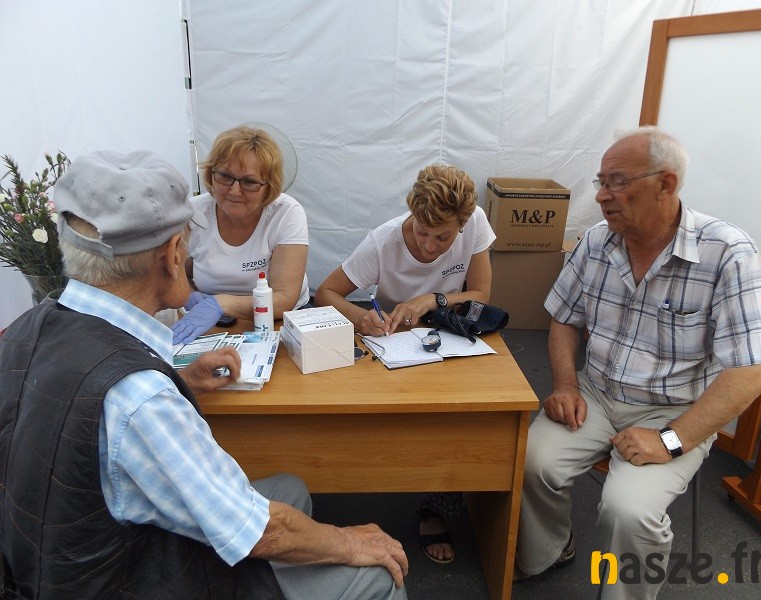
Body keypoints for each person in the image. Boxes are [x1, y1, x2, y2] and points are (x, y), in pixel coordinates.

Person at [0, 150, 407, 600]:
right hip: (133, 580)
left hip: (60, 561)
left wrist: (183, 381)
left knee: (289, 489)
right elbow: (262, 532)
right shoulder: (139, 396)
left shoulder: (23, 331)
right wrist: (349, 542)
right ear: (172, 255)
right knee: (378, 573)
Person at [514, 126, 761, 599]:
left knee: (628, 511)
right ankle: (549, 551)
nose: (601, 195)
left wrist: (672, 439)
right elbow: (563, 318)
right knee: (530, 463)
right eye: (600, 182)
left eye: (616, 181)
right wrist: (566, 384)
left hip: (673, 411)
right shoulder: (596, 242)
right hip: (596, 392)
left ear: (666, 183)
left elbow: (755, 369)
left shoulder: (727, 253)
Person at [315, 164, 495, 564]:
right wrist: (360, 317)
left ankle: (436, 505)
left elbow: (482, 293)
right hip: (393, 342)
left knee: (459, 414)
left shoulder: (475, 223)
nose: (429, 246)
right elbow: (326, 292)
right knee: (395, 423)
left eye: (443, 237)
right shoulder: (383, 242)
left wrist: (432, 299)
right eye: (421, 231)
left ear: (462, 225)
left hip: (449, 335)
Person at [172, 124, 310, 344]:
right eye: (225, 176)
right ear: (210, 174)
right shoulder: (193, 214)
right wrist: (189, 295)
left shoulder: (286, 213)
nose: (235, 191)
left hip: (279, 320)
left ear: (269, 186)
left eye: (249, 182)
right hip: (213, 323)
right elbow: (179, 273)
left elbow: (284, 298)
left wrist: (220, 304)